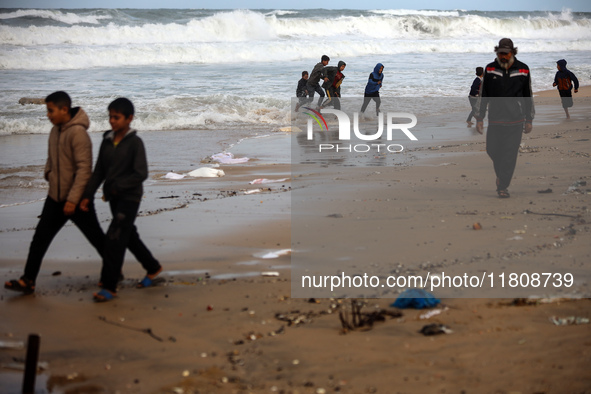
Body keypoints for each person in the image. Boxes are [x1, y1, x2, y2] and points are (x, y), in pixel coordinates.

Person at [4, 91, 105, 295]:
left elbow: (84, 170)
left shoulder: (78, 133)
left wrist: (73, 200)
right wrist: (48, 172)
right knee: (40, 238)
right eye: (47, 110)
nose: (48, 115)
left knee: (97, 239)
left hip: (75, 200)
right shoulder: (55, 131)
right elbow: (52, 156)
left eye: (51, 110)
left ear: (64, 109)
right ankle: (28, 280)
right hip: (55, 197)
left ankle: (113, 272)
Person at [80, 98, 162, 302]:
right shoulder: (107, 141)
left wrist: (118, 186)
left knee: (114, 237)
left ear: (129, 118)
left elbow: (141, 173)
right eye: (110, 117)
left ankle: (110, 285)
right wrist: (87, 196)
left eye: (116, 117)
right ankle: (153, 267)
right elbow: (99, 171)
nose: (112, 121)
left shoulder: (135, 142)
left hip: (130, 198)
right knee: (128, 234)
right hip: (114, 198)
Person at [476, 38, 535, 199]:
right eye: (500, 53)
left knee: (509, 154)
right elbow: (484, 95)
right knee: (492, 150)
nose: (502, 56)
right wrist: (479, 117)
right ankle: (502, 175)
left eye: (505, 53)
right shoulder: (490, 69)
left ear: (512, 53)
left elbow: (527, 95)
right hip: (495, 119)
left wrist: (529, 119)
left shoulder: (523, 69)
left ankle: (502, 186)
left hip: (516, 120)